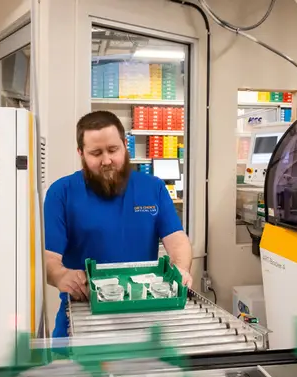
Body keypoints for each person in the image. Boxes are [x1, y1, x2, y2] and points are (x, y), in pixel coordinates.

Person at [44, 110, 193, 337]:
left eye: (113, 150)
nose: (106, 160)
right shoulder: (61, 193)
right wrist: (60, 275)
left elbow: (177, 240)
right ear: (81, 153)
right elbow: (48, 258)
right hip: (83, 315)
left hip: (145, 314)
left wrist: (180, 269)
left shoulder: (153, 188)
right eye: (96, 153)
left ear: (125, 145)